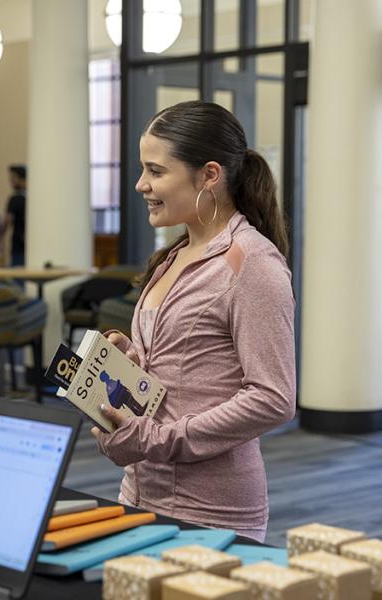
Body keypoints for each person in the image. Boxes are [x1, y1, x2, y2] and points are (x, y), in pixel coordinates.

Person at [91, 101, 295, 543]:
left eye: (156, 171)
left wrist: (158, 440)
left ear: (209, 175)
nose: (141, 184)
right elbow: (185, 366)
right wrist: (132, 357)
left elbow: (273, 398)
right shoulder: (175, 255)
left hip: (209, 510)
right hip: (141, 490)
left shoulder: (253, 263)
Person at [4, 164, 26, 266]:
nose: (11, 181)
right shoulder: (35, 197)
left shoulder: (15, 199)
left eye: (13, 178)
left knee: (18, 278)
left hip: (18, 246)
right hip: (32, 245)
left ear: (22, 179)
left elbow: (7, 221)